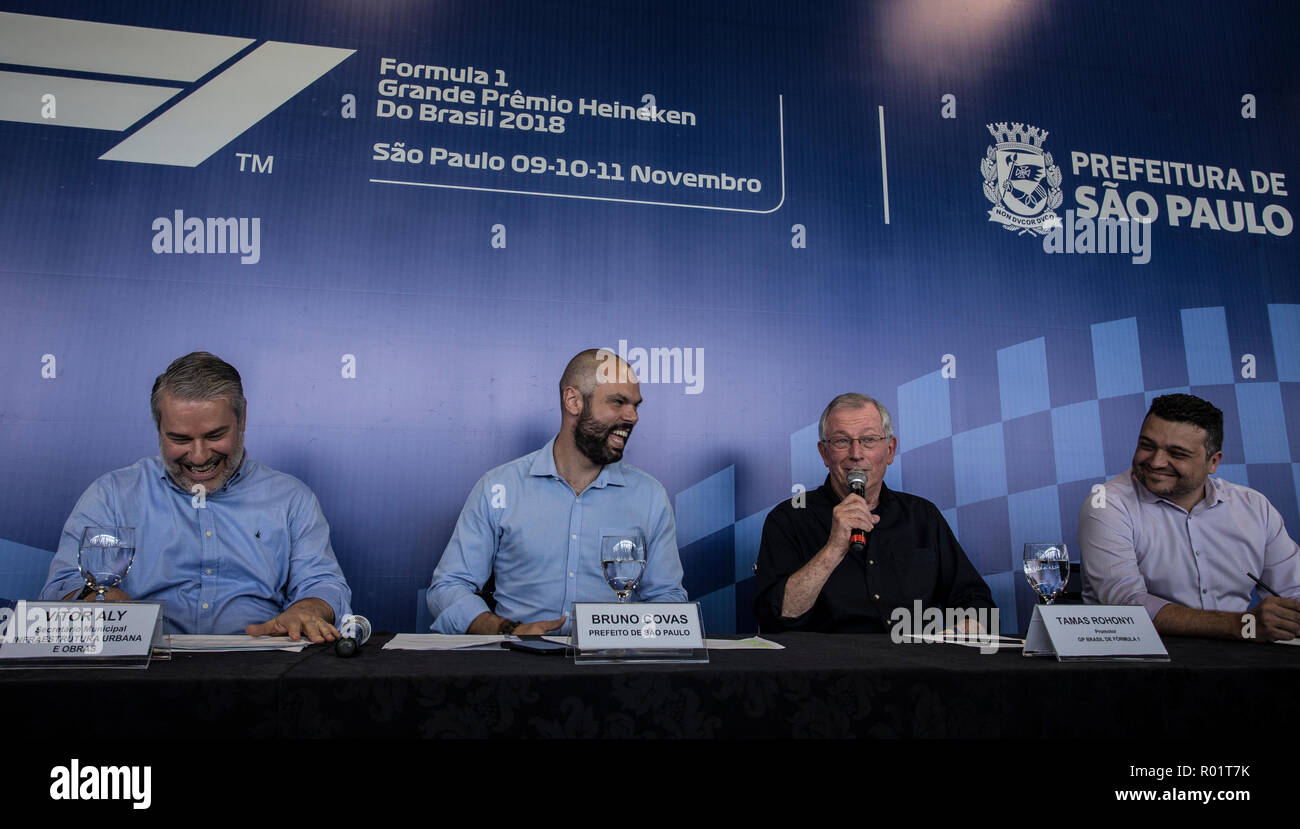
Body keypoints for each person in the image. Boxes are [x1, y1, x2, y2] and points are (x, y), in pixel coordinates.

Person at [40, 352, 351, 642]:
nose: (200, 457)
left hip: (261, 673)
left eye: (215, 436)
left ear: (242, 419)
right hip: (141, 673)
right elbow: (61, 588)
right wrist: (95, 599)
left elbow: (323, 583)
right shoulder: (111, 496)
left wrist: (307, 609)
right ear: (158, 429)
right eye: (179, 439)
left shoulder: (291, 498)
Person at [427, 349, 687, 635]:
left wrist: (622, 635)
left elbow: (668, 600)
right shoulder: (499, 487)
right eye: (618, 402)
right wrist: (508, 630)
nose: (633, 416)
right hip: (516, 669)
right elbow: (449, 587)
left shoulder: (649, 496)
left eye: (636, 405)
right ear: (573, 401)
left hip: (613, 671)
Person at [753, 393, 994, 633]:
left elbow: (976, 601)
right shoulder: (789, 518)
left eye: (868, 440)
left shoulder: (922, 515)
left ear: (890, 450)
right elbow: (774, 618)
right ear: (824, 453)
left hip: (916, 664)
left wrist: (961, 632)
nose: (856, 453)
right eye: (841, 441)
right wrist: (833, 549)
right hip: (828, 667)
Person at [1079, 393, 1300, 641]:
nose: (1156, 461)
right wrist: (1242, 625)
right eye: (1147, 445)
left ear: (1213, 462)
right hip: (1143, 664)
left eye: (1177, 454)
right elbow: (1126, 605)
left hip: (1245, 665)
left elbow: (1293, 591)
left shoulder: (1255, 507)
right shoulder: (1106, 503)